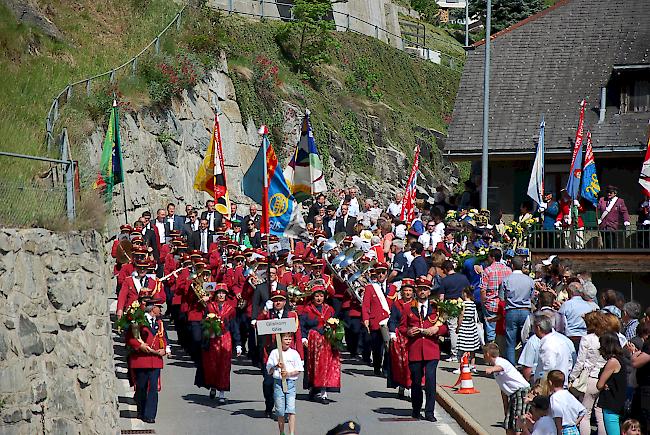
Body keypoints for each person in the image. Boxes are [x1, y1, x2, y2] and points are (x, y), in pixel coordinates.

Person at [398, 277, 448, 422]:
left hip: (432, 349)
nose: (422, 292)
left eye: (425, 289)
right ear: (416, 291)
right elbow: (401, 327)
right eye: (420, 289)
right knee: (416, 381)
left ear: (429, 291)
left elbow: (445, 327)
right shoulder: (408, 307)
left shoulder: (436, 307)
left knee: (431, 381)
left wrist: (436, 329)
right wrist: (408, 331)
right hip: (415, 349)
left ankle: (429, 411)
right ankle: (416, 408)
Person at [195, 283, 242, 403]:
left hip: (225, 338)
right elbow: (203, 323)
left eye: (223, 293)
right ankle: (213, 386)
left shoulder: (230, 309)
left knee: (224, 366)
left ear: (226, 295)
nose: (221, 295)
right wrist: (208, 329)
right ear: (215, 295)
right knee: (212, 365)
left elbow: (234, 326)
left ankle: (222, 392)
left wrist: (238, 344)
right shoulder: (210, 307)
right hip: (212, 339)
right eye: (219, 293)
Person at [125, 298, 169, 424]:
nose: (161, 309)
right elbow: (130, 338)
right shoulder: (138, 320)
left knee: (153, 388)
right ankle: (141, 410)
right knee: (142, 387)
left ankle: (150, 415)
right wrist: (140, 346)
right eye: (158, 306)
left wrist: (164, 349)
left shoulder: (159, 323)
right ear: (152, 309)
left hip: (155, 360)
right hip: (141, 360)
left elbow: (163, 337)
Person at [300, 285, 341, 404]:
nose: (319, 298)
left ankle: (324, 393)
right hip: (313, 343)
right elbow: (302, 326)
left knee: (327, 366)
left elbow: (335, 324)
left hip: (327, 342)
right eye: (316, 296)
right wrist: (303, 338)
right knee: (314, 367)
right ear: (312, 297)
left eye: (321, 296)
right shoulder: (307, 310)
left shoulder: (330, 309)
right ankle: (314, 389)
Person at [568, 311, 607, 435]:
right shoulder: (606, 338)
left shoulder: (587, 339)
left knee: (585, 414)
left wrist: (572, 377)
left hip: (589, 378)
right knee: (600, 414)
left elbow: (580, 362)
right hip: (603, 377)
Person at [484, 343, 531, 435]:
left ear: (488, 354)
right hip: (513, 395)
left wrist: (491, 369)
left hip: (521, 392)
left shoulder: (500, 362)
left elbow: (501, 368)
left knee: (518, 423)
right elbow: (503, 388)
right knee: (508, 424)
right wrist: (505, 405)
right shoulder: (496, 367)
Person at [361, 262, 395, 376]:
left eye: (383, 272)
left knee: (389, 347)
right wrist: (366, 319)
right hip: (375, 322)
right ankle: (377, 367)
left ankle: (386, 369)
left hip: (388, 321)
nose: (381, 275)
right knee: (377, 348)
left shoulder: (393, 288)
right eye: (379, 272)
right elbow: (365, 305)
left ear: (387, 273)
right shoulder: (370, 288)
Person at [266, 333, 304, 435]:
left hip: (290, 383)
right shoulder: (275, 353)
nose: (288, 341)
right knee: (280, 411)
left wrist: (289, 374)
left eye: (290, 339)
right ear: (280, 340)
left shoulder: (294, 353)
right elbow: (269, 371)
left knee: (291, 409)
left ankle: (291, 433)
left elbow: (299, 369)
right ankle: (282, 432)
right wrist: (276, 366)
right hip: (278, 384)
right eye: (285, 339)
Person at [500, 256, 535, 364]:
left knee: (510, 341)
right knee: (526, 339)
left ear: (512, 265)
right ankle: (526, 364)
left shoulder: (506, 280)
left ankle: (512, 366)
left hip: (512, 310)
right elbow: (532, 296)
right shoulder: (529, 280)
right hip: (525, 310)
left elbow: (501, 297)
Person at [596, 332, 629, 435]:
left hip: (611, 403)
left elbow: (599, 385)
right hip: (618, 402)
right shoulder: (621, 360)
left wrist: (604, 384)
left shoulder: (612, 362)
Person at [388, 278, 415, 398]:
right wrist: (392, 333)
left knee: (411, 363)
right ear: (402, 292)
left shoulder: (416, 304)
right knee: (400, 363)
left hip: (413, 337)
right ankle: (401, 385)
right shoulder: (396, 304)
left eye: (410, 290)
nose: (408, 293)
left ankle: (410, 386)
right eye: (406, 290)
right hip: (400, 337)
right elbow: (392, 320)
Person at [437, 260, 469, 361]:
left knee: (453, 329)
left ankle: (455, 354)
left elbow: (441, 297)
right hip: (463, 304)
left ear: (446, 269)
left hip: (450, 306)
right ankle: (464, 352)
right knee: (463, 329)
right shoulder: (463, 277)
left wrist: (440, 308)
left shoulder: (445, 280)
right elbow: (468, 291)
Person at [480, 248, 512, 343]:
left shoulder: (488, 271)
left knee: (491, 328)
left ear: (492, 258)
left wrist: (483, 301)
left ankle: (492, 348)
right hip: (504, 304)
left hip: (491, 303)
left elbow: (483, 289)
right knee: (502, 328)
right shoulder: (508, 270)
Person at [533, 314, 575, 383]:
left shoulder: (547, 345)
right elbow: (570, 362)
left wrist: (540, 381)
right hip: (561, 383)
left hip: (550, 386)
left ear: (538, 328)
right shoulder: (561, 340)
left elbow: (549, 367)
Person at [558, 281, 595, 351]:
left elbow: (560, 323)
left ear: (570, 292)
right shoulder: (588, 306)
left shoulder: (566, 305)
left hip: (570, 338)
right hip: (585, 338)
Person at [548, 370, 586, 435]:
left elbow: (558, 416)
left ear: (550, 382)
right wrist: (575, 423)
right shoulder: (569, 394)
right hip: (574, 429)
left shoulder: (554, 397)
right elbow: (583, 411)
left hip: (563, 430)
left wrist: (559, 431)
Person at [455, 287, 481, 372]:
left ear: (465, 294)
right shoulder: (473, 304)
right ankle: (472, 365)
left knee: (462, 348)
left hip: (464, 327)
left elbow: (461, 315)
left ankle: (462, 366)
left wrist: (458, 326)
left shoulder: (463, 304)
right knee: (472, 348)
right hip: (472, 327)